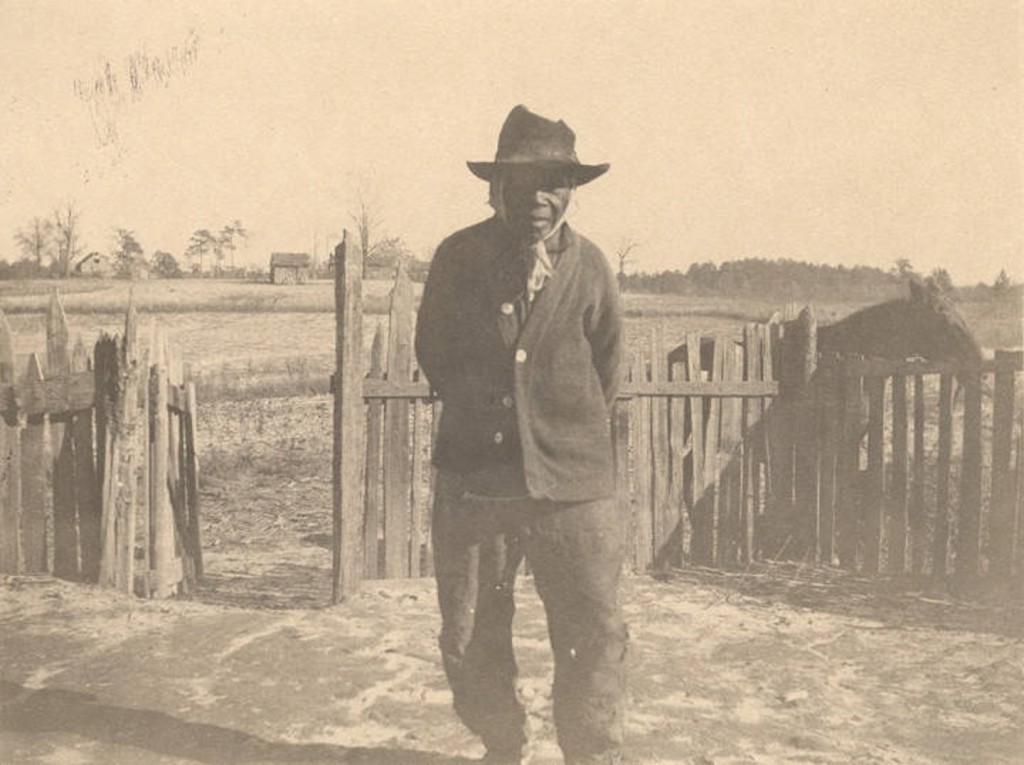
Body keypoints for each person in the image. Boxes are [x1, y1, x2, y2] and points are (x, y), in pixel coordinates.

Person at [415, 105, 628, 765]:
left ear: (570, 189)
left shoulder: (590, 267)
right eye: (523, 180)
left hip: (574, 484)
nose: (538, 196)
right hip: (478, 481)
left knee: (594, 629)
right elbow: (434, 352)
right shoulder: (458, 257)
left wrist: (555, 432)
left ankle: (591, 753)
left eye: (554, 181)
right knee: (471, 630)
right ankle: (504, 743)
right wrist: (491, 424)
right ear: (495, 187)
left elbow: (609, 367)